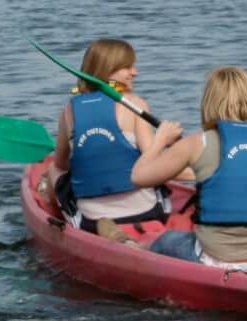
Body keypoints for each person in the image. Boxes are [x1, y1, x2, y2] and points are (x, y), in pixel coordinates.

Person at [131, 67, 247, 270]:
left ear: (209, 102)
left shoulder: (196, 143)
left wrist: (160, 141)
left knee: (165, 240)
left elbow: (139, 177)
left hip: (214, 257)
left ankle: (132, 248)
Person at [41, 37, 167, 241]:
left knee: (53, 169)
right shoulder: (136, 105)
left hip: (91, 220)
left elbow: (62, 164)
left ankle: (54, 207)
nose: (135, 72)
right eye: (127, 67)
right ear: (107, 70)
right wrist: (164, 141)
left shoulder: (69, 110)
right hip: (146, 212)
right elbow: (154, 163)